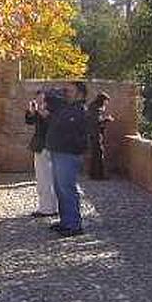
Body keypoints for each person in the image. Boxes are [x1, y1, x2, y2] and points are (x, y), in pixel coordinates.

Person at [44, 81, 89, 237]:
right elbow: (49, 100)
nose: (67, 93)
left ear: (80, 93)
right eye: (66, 90)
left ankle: (74, 225)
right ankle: (66, 221)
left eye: (70, 90)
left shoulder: (80, 110)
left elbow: (70, 129)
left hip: (68, 154)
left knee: (67, 189)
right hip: (59, 152)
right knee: (60, 189)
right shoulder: (66, 108)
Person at [25, 90, 57, 218]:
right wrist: (31, 112)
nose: (39, 101)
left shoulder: (53, 109)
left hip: (47, 146)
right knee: (43, 178)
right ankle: (48, 207)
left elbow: (48, 121)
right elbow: (30, 121)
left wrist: (38, 111)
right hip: (41, 146)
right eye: (37, 99)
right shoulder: (41, 110)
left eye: (41, 99)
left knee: (46, 178)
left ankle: (48, 209)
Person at [87, 91, 114, 180]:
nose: (106, 104)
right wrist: (107, 119)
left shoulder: (92, 107)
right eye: (106, 101)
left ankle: (93, 174)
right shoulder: (96, 109)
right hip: (95, 134)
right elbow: (97, 122)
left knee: (95, 154)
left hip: (93, 133)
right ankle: (99, 175)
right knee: (98, 155)